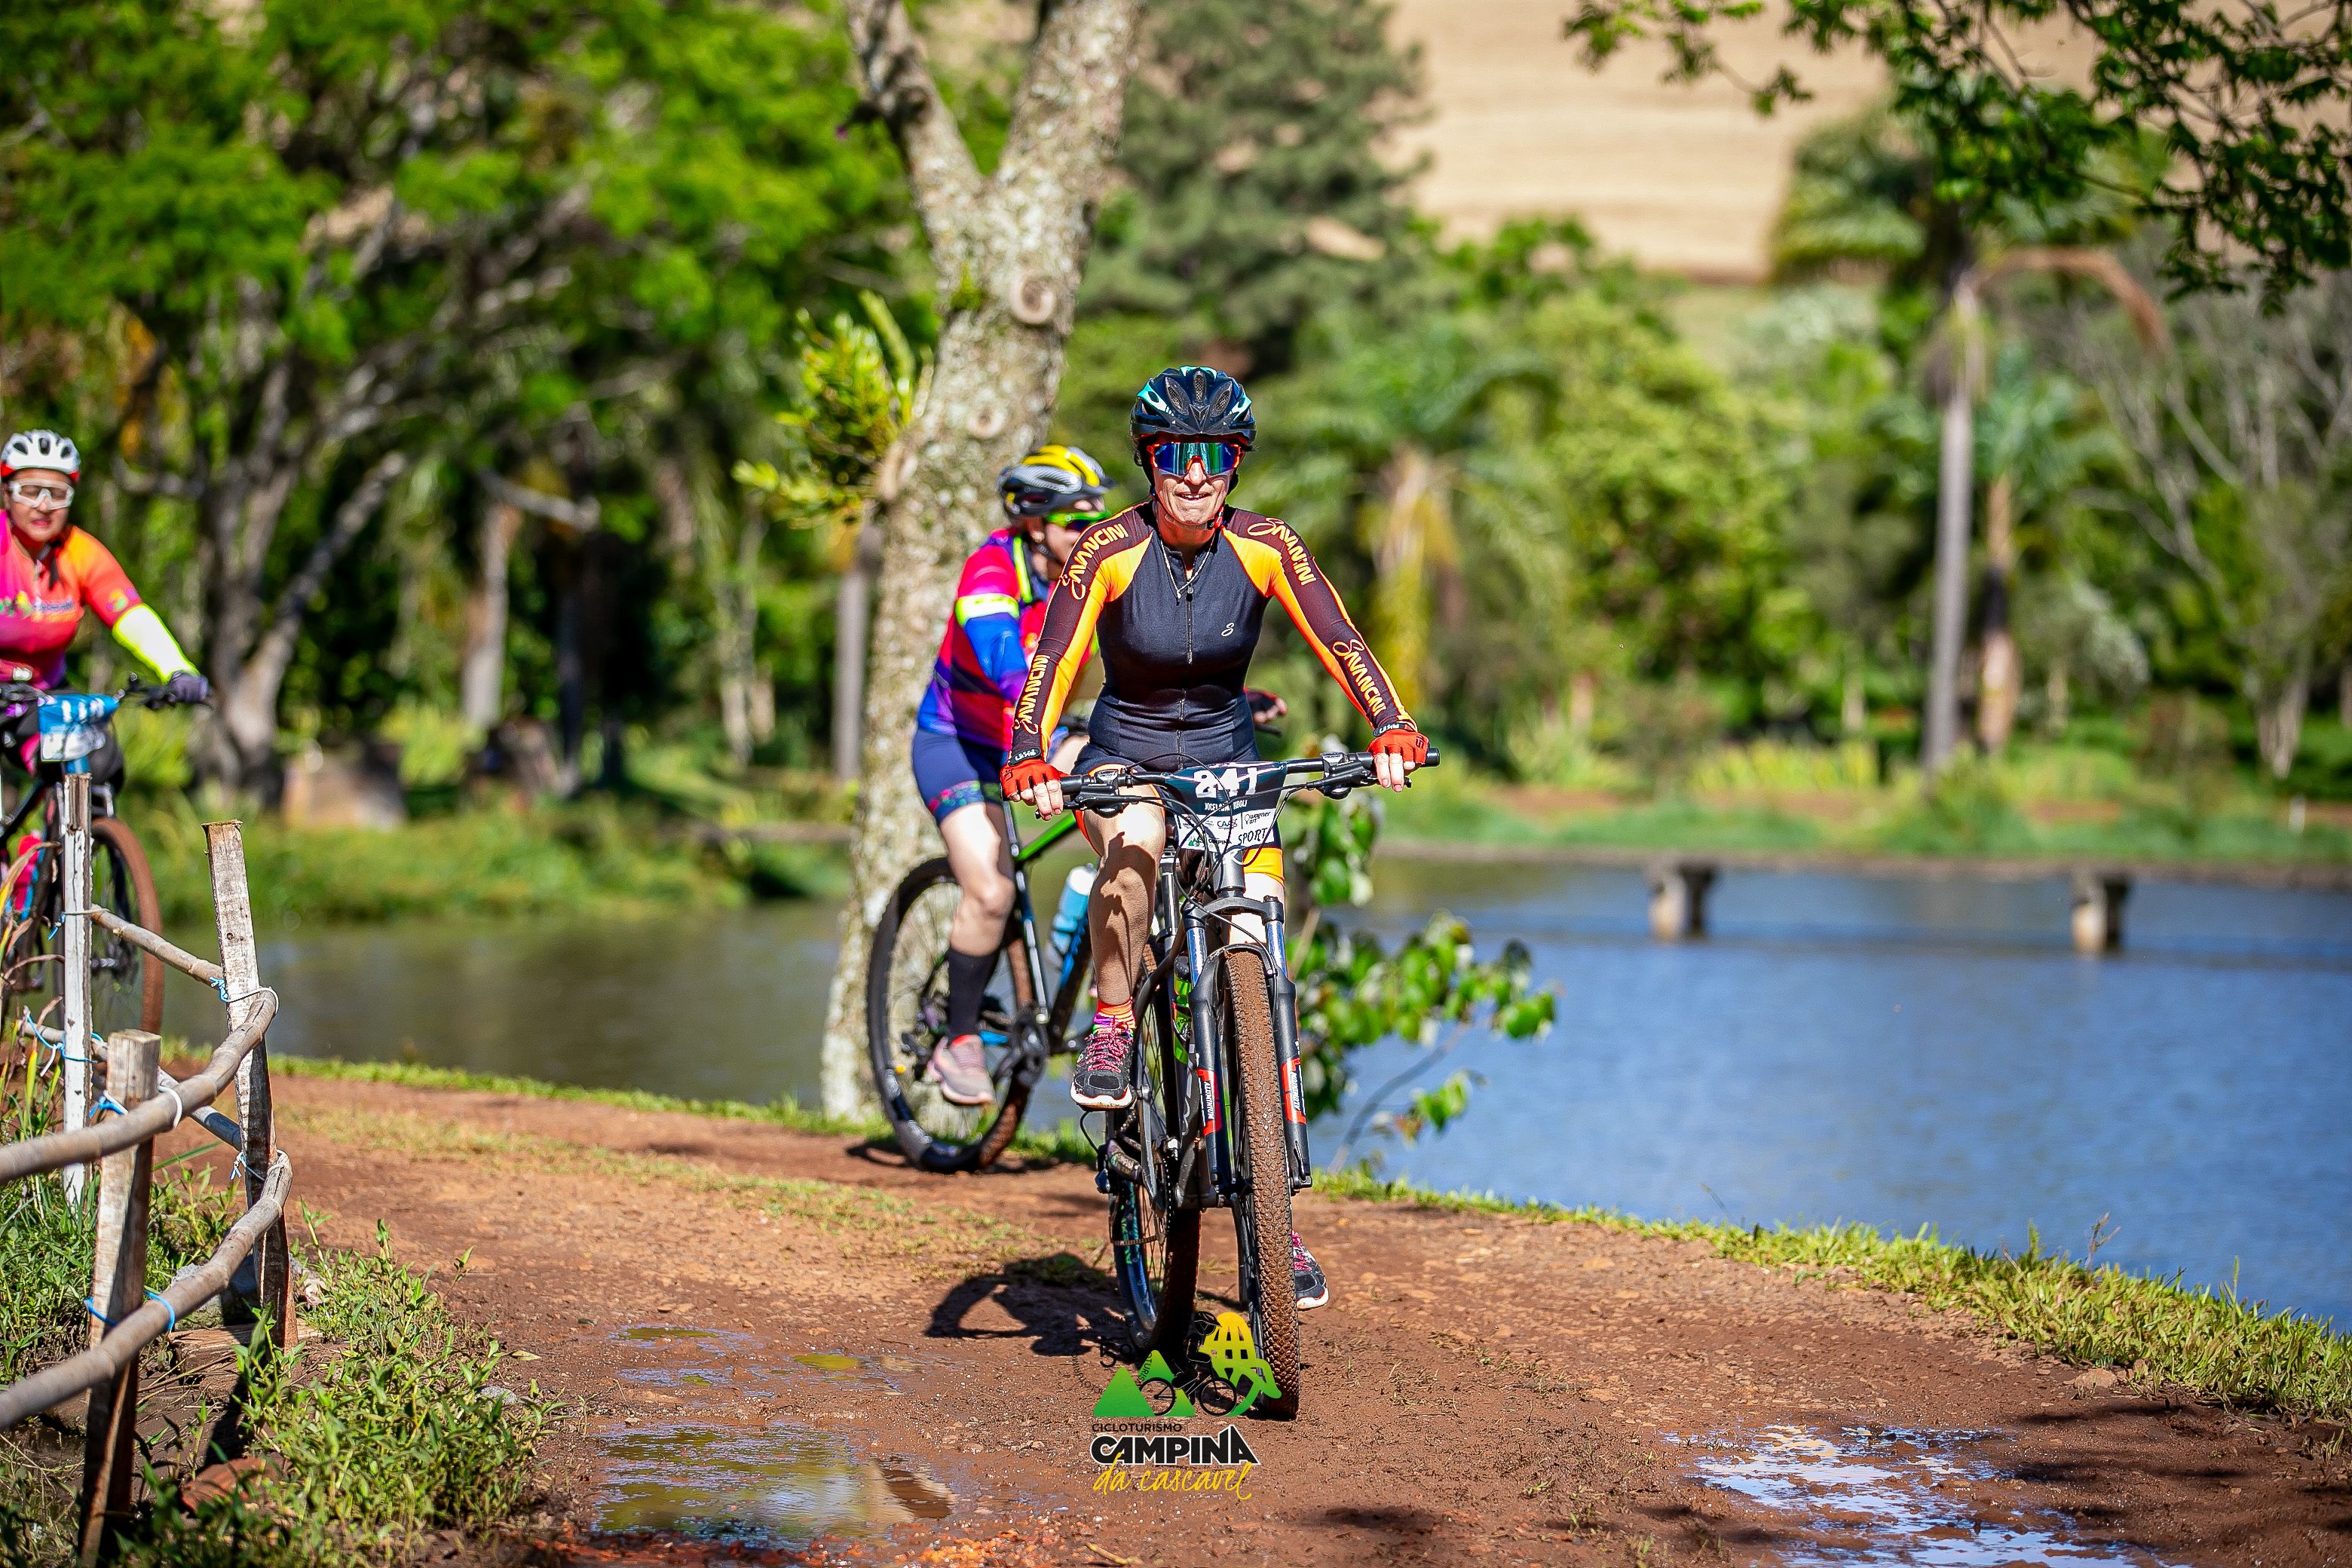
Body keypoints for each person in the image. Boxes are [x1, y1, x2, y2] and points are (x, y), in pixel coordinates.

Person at [1000, 366, 1427, 1310]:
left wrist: (1391, 724)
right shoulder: (1109, 549)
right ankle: (1115, 1025)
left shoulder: (1269, 545)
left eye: (1215, 456)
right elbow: (1054, 659)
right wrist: (1030, 750)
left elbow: (1342, 638)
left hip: (1231, 764)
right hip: (1127, 758)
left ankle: (1276, 1215)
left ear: (1236, 464)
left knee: (1257, 942)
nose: (1194, 475)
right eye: (1174, 455)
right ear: (1148, 461)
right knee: (1138, 841)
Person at [908, 443, 1112, 1107]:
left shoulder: (1092, 574)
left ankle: (1091, 953)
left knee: (1129, 806)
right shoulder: (991, 570)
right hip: (960, 743)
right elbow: (1005, 663)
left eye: (1098, 519)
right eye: (1077, 521)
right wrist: (1044, 721)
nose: (1093, 533)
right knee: (992, 892)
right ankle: (958, 1038)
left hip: (1040, 731)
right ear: (1034, 521)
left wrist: (1224, 700)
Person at [0, 430, 209, 796]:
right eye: (31, 491)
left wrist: (176, 668)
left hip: (44, 695)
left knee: (100, 762)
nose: (44, 506)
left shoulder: (81, 552)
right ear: (7, 493)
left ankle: (71, 832)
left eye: (58, 493)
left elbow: (130, 615)